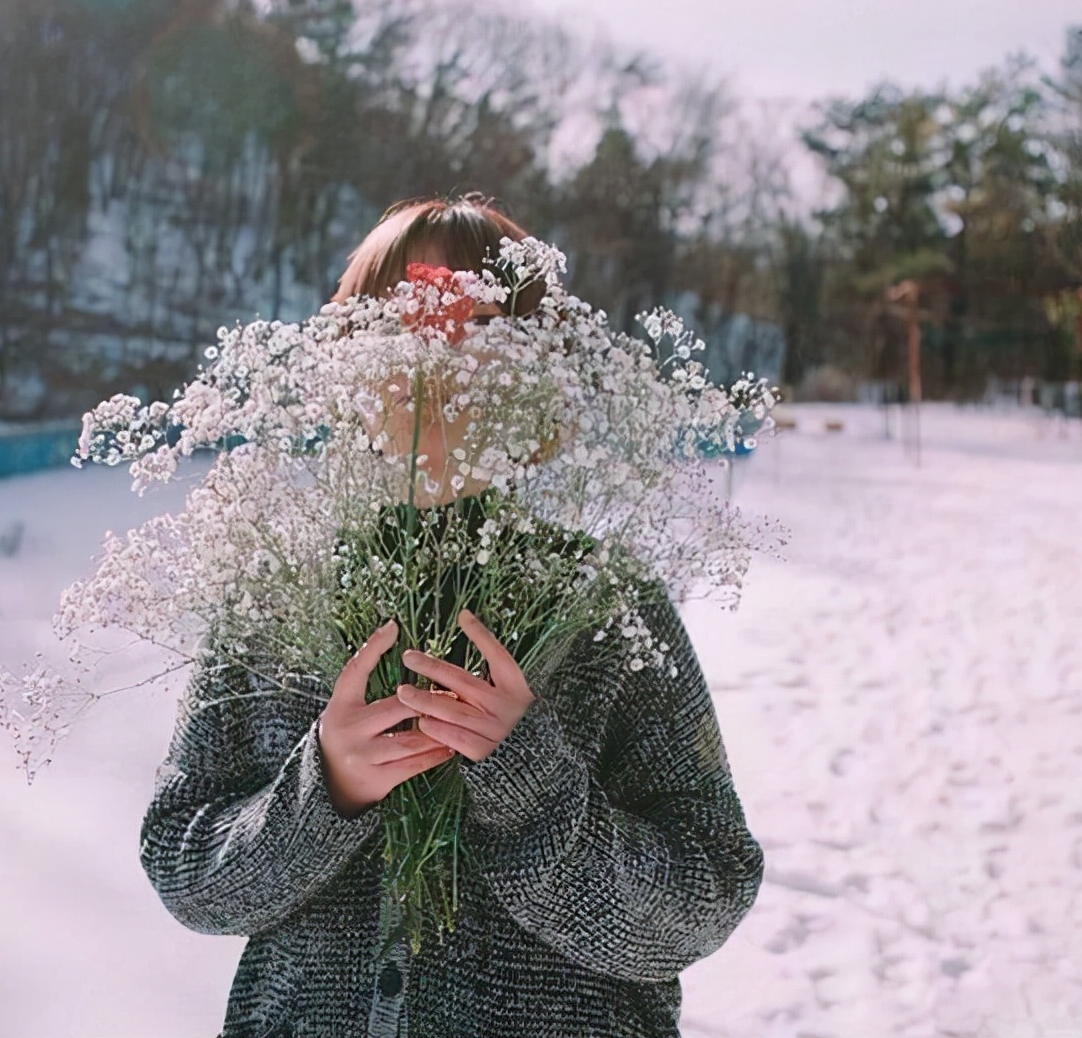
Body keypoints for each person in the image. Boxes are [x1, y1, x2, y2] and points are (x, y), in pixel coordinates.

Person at [140, 194, 764, 1038]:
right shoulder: (277, 592)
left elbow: (705, 898)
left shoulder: (603, 605)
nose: (436, 352)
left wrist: (533, 786)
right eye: (403, 312)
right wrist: (326, 785)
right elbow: (187, 871)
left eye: (475, 319)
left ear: (540, 372)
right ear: (344, 359)